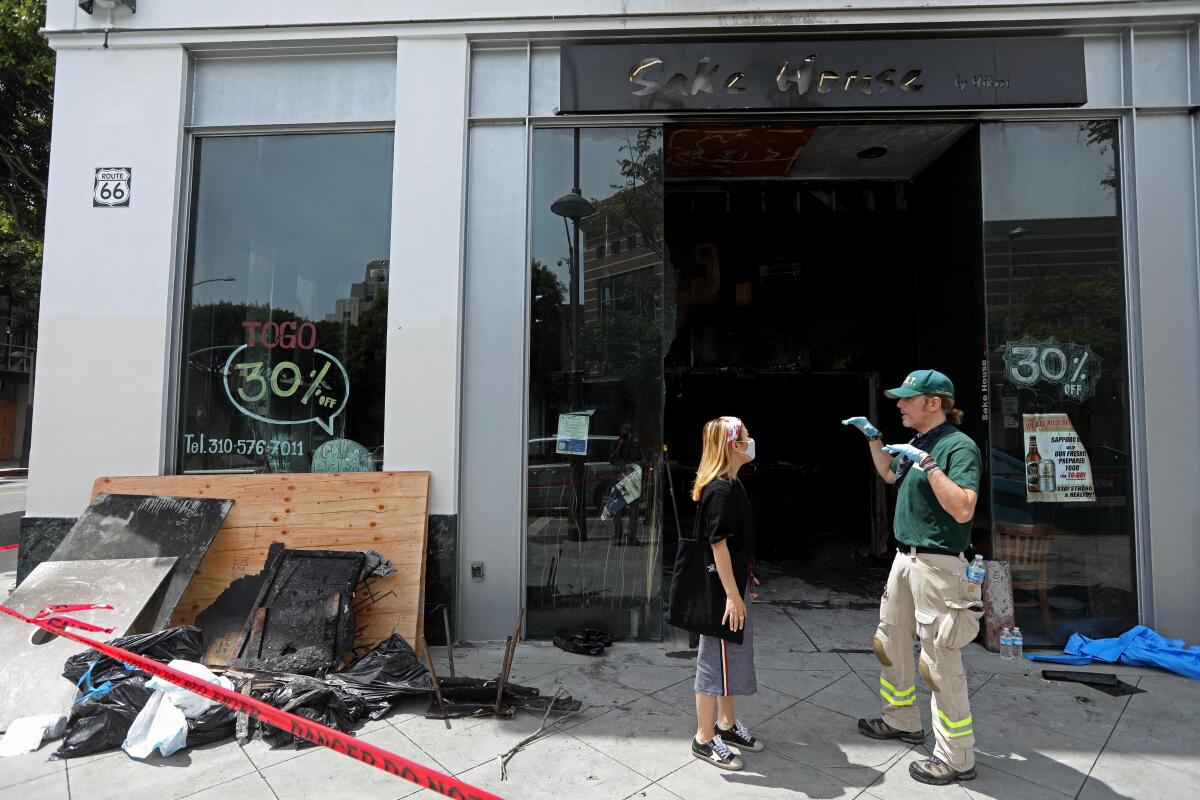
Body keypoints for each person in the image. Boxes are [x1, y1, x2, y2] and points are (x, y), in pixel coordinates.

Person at [842, 369, 984, 786]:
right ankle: (901, 720)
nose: (900, 404)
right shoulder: (918, 442)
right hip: (906, 560)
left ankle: (957, 757)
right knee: (890, 642)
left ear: (934, 403)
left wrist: (928, 464)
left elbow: (963, 508)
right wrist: (873, 438)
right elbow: (890, 474)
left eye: (908, 398)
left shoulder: (958, 447)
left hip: (940, 567)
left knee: (939, 660)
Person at [688, 416, 764, 771]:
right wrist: (733, 596)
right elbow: (717, 545)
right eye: (746, 436)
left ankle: (727, 725)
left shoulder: (732, 483)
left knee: (729, 661)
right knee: (712, 664)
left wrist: (746, 576)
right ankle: (704, 738)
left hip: (733, 585)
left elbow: (734, 547)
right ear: (733, 445)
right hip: (720, 595)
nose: (751, 441)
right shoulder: (719, 490)